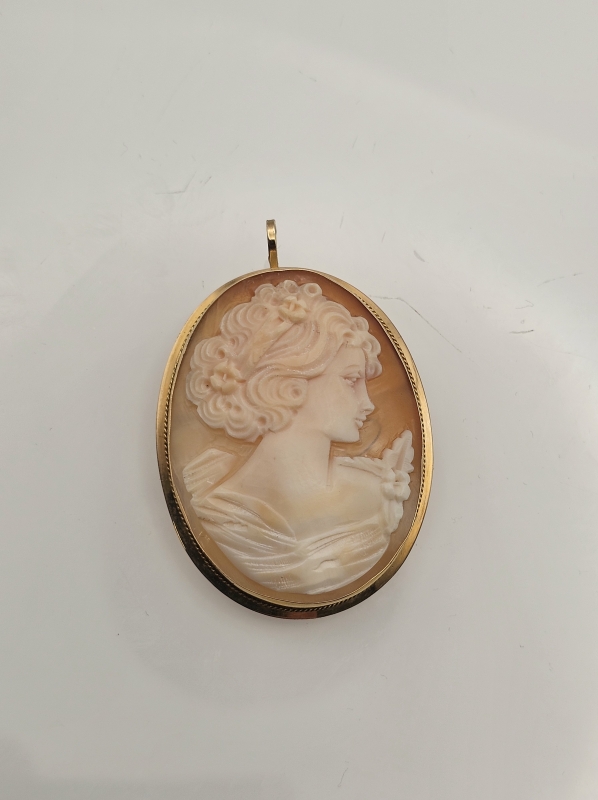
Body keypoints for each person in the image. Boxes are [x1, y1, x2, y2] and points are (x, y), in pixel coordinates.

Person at [183, 279, 413, 594]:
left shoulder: (377, 493)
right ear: (287, 385)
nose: (368, 403)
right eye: (351, 380)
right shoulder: (223, 516)